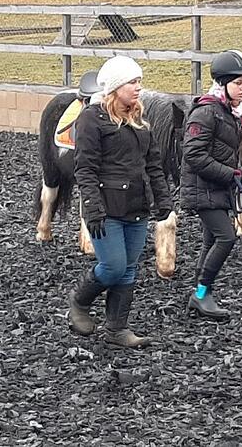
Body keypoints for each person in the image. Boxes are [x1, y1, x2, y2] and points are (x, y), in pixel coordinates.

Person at [68, 55, 173, 348]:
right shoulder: (92, 119)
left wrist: (163, 199)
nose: (138, 87)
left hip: (136, 206)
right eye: (132, 82)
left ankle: (117, 328)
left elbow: (153, 164)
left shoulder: (140, 120)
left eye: (139, 81)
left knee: (128, 267)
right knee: (113, 266)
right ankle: (79, 300)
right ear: (115, 87)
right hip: (106, 208)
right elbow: (85, 167)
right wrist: (92, 207)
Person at [181, 50, 242, 321]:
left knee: (211, 240)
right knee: (226, 238)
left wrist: (241, 178)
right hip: (203, 189)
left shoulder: (229, 112)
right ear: (222, 83)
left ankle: (201, 293)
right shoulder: (206, 112)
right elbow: (194, 155)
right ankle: (201, 294)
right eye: (239, 83)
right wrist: (232, 175)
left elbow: (224, 152)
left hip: (216, 188)